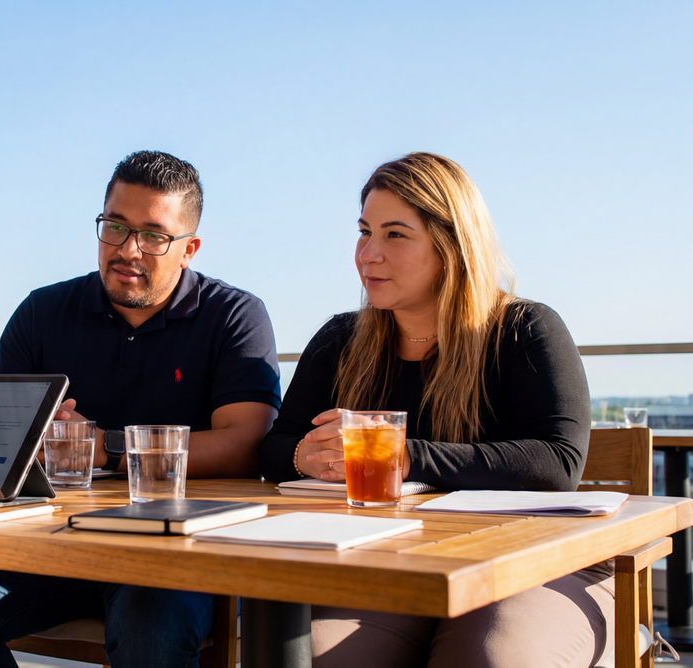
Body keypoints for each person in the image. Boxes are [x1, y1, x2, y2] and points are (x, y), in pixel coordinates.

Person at [0, 150, 283, 668]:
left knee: (148, 622)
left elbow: (246, 443)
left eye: (154, 236)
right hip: (58, 546)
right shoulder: (42, 311)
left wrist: (104, 447)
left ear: (188, 249)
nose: (128, 249)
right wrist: (28, 440)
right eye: (115, 226)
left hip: (185, 551)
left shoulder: (234, 315)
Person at [258, 152, 607, 668]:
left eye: (395, 235)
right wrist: (304, 457)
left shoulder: (525, 330)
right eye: (364, 232)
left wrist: (404, 458)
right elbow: (275, 446)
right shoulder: (339, 340)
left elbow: (557, 464)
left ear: (452, 246)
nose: (368, 254)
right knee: (320, 658)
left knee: (489, 657)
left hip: (534, 565)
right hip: (389, 562)